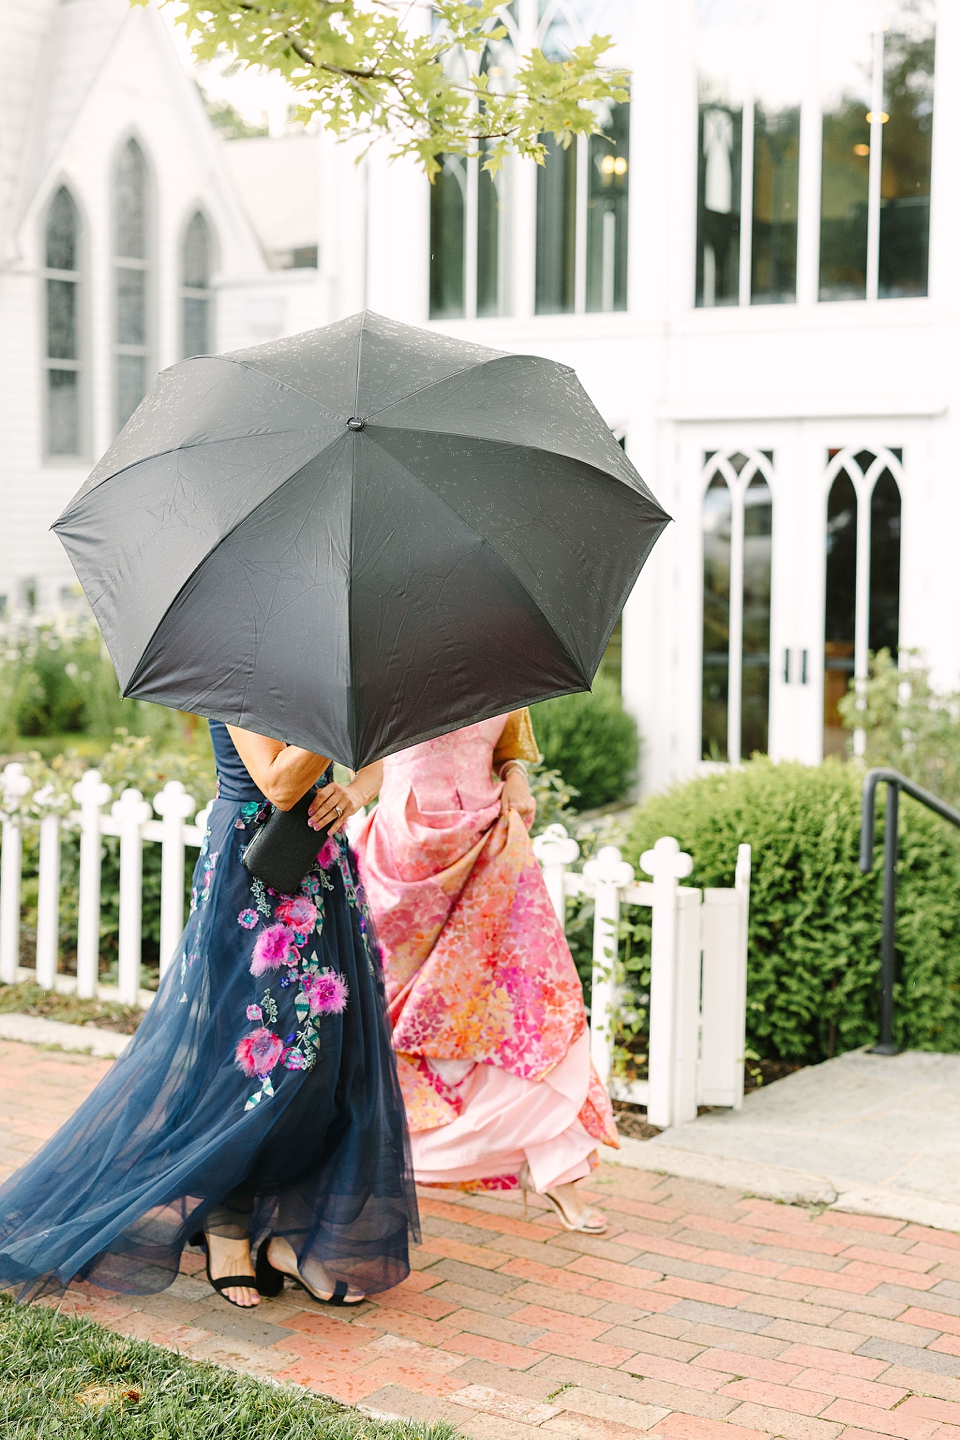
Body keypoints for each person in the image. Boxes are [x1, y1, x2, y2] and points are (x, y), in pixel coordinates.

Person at [0, 721, 417, 1308]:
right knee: (255, 1059)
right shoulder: (246, 675)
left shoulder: (330, 676)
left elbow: (380, 756)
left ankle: (295, 1238)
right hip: (254, 863)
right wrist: (329, 727)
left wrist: (354, 790)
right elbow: (277, 784)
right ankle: (226, 1223)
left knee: (335, 1060)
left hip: (321, 868)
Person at [351, 710, 619, 1232]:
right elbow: (360, 752)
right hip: (403, 856)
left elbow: (508, 749)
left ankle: (557, 1166)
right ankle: (369, 1159)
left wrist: (516, 777)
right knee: (389, 1013)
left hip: (492, 843)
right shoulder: (383, 667)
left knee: (531, 1003)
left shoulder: (502, 667)